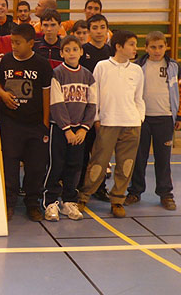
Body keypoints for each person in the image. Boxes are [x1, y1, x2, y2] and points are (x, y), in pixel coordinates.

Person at [77, 30, 145, 218]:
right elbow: (94, 95)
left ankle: (117, 200)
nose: (135, 48)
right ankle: (84, 196)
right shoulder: (102, 67)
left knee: (126, 165)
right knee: (98, 163)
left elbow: (139, 98)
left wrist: (139, 118)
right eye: (131, 44)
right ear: (119, 46)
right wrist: (96, 119)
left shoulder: (137, 70)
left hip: (131, 125)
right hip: (108, 123)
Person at [0, 24, 53, 221]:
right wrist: (3, 95)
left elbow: (46, 94)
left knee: (35, 166)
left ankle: (32, 203)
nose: (14, 46)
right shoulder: (6, 60)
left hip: (35, 124)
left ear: (31, 43)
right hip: (11, 122)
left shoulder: (42, 64)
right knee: (10, 164)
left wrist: (45, 123)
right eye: (12, 42)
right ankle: (9, 202)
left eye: (18, 43)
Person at [43, 36, 97, 222]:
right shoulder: (57, 73)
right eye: (67, 50)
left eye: (75, 49)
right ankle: (50, 201)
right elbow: (56, 104)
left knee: (74, 166)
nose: (71, 53)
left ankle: (69, 200)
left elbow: (92, 104)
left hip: (79, 131)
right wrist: (67, 129)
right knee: (56, 165)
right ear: (61, 53)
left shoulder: (88, 76)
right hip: (60, 129)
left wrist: (84, 129)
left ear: (81, 52)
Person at [126, 31, 179, 211]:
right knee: (139, 157)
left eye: (161, 47)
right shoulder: (137, 67)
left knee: (163, 158)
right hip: (142, 118)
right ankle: (135, 191)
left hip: (164, 117)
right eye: (153, 47)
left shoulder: (173, 66)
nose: (157, 51)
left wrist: (178, 115)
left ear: (166, 47)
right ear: (146, 48)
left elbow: (178, 91)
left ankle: (166, 194)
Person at [79, 13, 113, 201]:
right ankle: (80, 187)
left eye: (102, 27)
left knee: (101, 153)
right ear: (89, 31)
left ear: (107, 30)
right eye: (94, 28)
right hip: (85, 109)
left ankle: (99, 187)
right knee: (83, 152)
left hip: (106, 109)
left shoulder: (111, 51)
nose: (99, 31)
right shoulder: (82, 51)